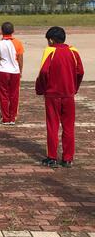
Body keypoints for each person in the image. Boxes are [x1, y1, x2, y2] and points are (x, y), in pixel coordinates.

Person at [36, 26, 84, 168]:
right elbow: (80, 71)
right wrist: (74, 87)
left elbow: (44, 72)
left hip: (52, 94)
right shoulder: (73, 51)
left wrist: (41, 88)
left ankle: (52, 157)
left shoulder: (50, 51)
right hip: (68, 94)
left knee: (53, 125)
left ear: (51, 40)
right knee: (69, 126)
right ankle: (68, 158)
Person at [0, 22, 24, 125]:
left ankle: (5, 118)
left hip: (3, 71)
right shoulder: (18, 43)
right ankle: (12, 117)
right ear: (13, 31)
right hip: (15, 72)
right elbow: (20, 59)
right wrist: (20, 71)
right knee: (14, 95)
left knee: (3, 95)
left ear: (2, 31)